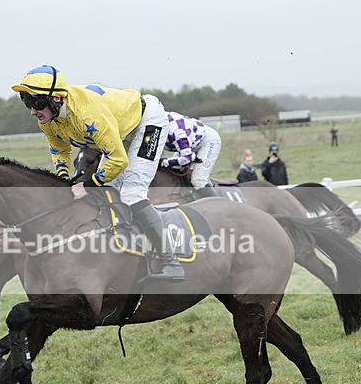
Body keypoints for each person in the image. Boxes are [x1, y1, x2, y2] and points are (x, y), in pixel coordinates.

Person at [11, 65, 184, 281]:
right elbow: (60, 150)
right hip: (119, 126)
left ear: (56, 99)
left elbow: (118, 159)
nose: (32, 111)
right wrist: (63, 177)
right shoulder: (48, 119)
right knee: (109, 188)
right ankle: (127, 248)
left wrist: (89, 184)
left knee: (132, 192)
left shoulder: (86, 114)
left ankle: (171, 260)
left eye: (36, 103)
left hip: (147, 123)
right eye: (26, 102)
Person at [159, 111, 221, 198]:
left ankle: (219, 204)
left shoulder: (176, 131)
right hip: (189, 142)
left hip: (207, 141)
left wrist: (162, 162)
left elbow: (187, 158)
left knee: (198, 181)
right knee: (174, 168)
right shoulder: (155, 121)